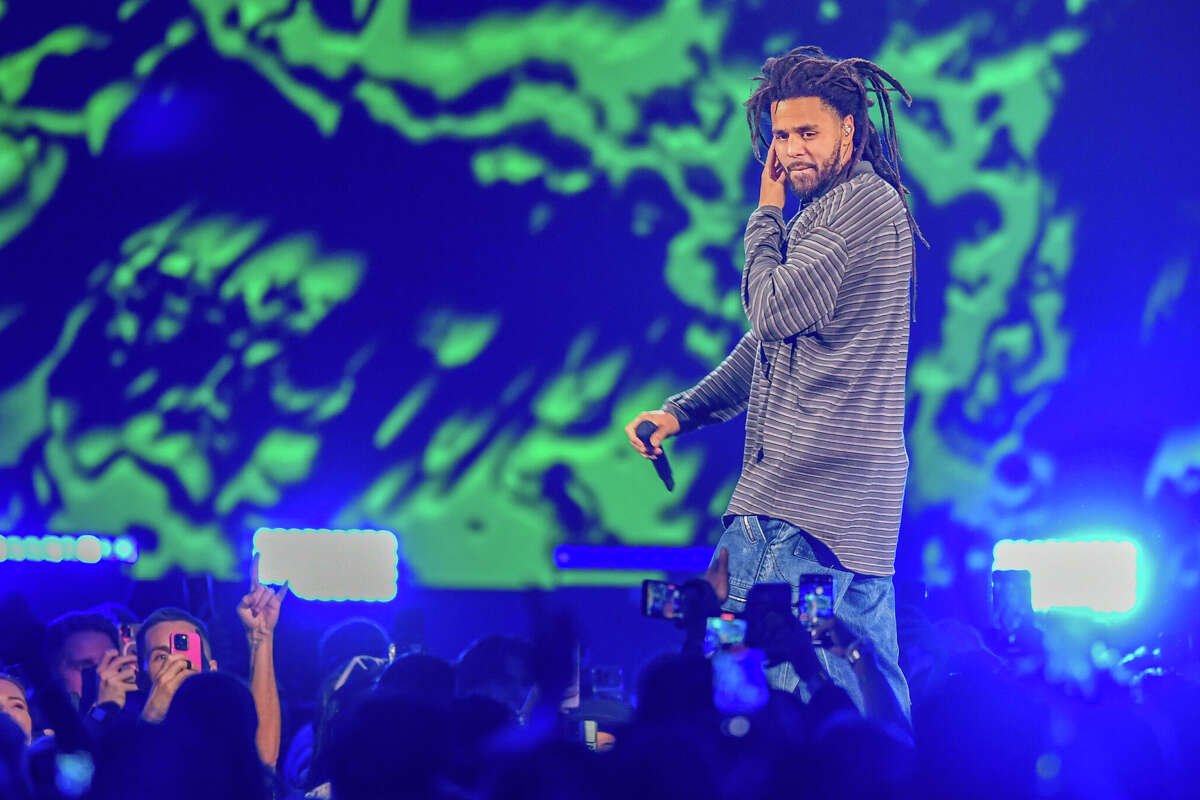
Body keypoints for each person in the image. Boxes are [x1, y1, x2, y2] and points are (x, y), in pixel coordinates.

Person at [625, 46, 925, 717]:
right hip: (850, 517)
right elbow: (771, 343)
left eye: (807, 133)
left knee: (734, 695)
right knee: (861, 699)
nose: (791, 152)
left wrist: (765, 215)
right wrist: (683, 413)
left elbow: (769, 309)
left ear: (849, 129)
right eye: (782, 137)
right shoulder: (854, 208)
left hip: (795, 507)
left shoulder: (850, 209)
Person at [137, 554, 287, 768]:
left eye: (188, 651)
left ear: (212, 668)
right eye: (161, 656)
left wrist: (260, 638)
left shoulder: (222, 735)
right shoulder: (122, 733)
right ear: (141, 675)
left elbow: (262, 761)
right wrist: (152, 717)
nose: (177, 662)